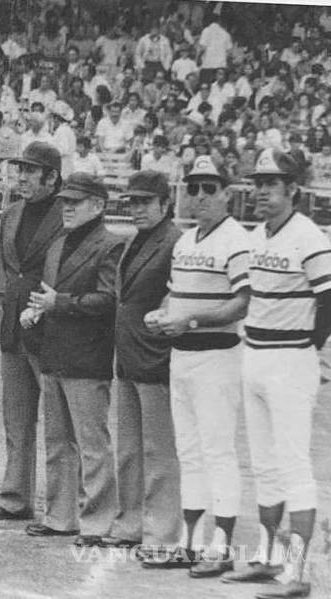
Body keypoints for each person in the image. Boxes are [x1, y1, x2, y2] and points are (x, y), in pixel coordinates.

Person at [220, 149, 331, 599]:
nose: (261, 190)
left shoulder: (308, 236)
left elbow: (328, 300)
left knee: (292, 466)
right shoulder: (257, 234)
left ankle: (299, 573)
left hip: (290, 360)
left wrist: (311, 349)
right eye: (257, 181)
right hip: (256, 355)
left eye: (272, 182)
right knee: (264, 465)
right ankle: (268, 558)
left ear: (294, 191)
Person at [140, 156, 250, 575]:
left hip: (217, 355)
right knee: (188, 450)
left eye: (210, 188)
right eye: (194, 188)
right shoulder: (186, 241)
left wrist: (192, 319)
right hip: (182, 355)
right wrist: (163, 313)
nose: (200, 196)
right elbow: (175, 295)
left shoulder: (236, 239)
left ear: (226, 193)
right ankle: (189, 542)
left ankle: (220, 546)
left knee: (218, 449)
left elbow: (242, 302)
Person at [22, 173, 124, 544]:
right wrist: (38, 310)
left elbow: (109, 300)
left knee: (91, 443)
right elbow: (48, 292)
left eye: (75, 202)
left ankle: (98, 521)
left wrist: (57, 304)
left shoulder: (110, 245)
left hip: (86, 358)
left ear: (97, 206)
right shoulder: (58, 244)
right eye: (65, 201)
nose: (67, 207)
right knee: (58, 441)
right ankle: (61, 516)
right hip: (56, 352)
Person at [0, 142, 64, 523]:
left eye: (31, 171)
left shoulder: (68, 214)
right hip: (13, 325)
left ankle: (65, 503)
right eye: (20, 170)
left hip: (51, 326)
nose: (23, 177)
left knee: (60, 421)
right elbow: (10, 267)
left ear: (52, 177)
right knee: (16, 417)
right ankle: (15, 497)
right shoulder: (11, 212)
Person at [102, 170, 182, 556]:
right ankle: (130, 522)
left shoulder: (175, 242)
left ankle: (162, 532)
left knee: (159, 451)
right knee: (131, 449)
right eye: (132, 202)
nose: (137, 209)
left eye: (145, 202)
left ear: (166, 205)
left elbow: (177, 300)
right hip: (129, 358)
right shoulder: (137, 241)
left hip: (156, 360)